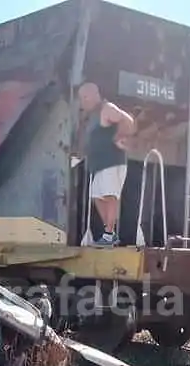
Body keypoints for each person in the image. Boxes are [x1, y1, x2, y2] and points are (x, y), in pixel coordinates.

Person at [78, 82, 136, 246]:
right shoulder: (92, 115)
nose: (82, 101)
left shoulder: (107, 108)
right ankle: (109, 233)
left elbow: (128, 120)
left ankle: (109, 235)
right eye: (81, 98)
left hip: (112, 162)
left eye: (85, 97)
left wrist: (120, 136)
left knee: (111, 196)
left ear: (95, 94)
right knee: (96, 196)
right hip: (100, 164)